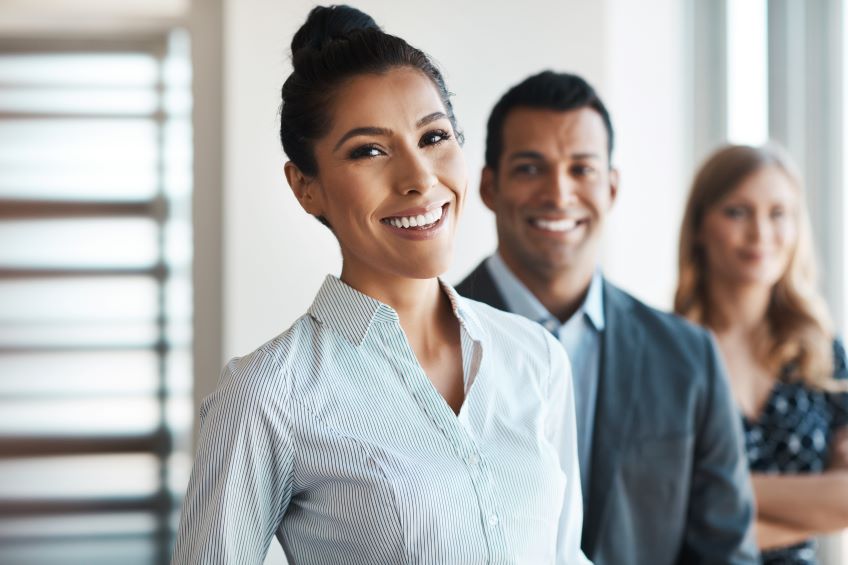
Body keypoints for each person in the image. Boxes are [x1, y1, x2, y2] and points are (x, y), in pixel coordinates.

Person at [172, 6, 590, 564]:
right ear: (306, 187)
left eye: (434, 136)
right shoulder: (268, 395)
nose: (419, 178)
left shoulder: (535, 358)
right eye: (369, 150)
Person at [457, 70, 758, 565]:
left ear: (612, 187)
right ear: (489, 187)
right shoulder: (421, 336)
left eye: (582, 169)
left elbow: (727, 554)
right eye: (531, 168)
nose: (559, 193)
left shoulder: (688, 357)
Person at [675, 143, 848, 564]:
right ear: (700, 226)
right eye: (737, 211)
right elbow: (667, 520)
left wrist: (714, 489)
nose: (760, 233)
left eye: (778, 214)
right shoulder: (666, 353)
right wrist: (816, 509)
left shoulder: (820, 354)